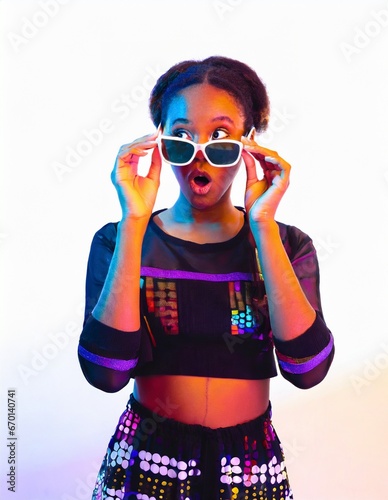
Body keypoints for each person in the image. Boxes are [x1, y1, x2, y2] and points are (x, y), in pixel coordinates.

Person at [78, 56, 334, 500]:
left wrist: (264, 228)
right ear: (158, 142)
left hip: (251, 470)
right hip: (147, 462)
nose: (199, 153)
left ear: (249, 144)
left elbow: (307, 368)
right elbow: (107, 371)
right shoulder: (120, 241)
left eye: (220, 137)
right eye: (180, 137)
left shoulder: (287, 245)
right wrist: (134, 222)